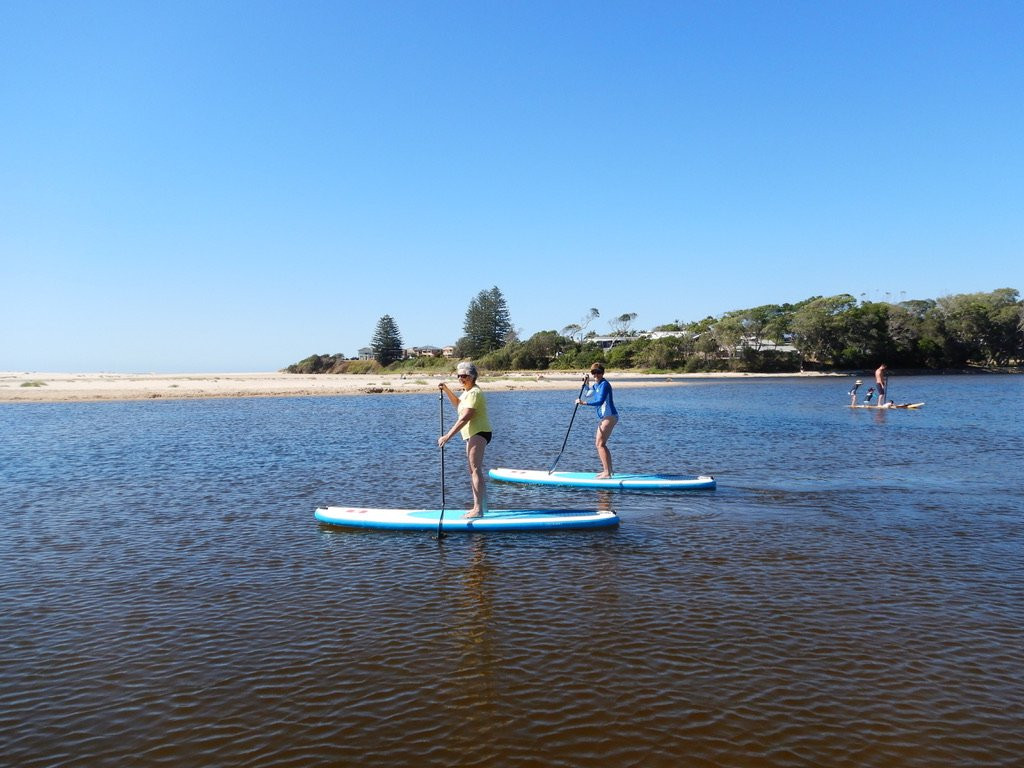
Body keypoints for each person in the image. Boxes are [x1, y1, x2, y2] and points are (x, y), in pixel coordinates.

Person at [438, 361, 492, 519]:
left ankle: (478, 510)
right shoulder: (467, 392)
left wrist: (447, 436)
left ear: (473, 376)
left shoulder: (474, 392)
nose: (462, 378)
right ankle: (481, 507)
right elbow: (458, 405)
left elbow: (466, 416)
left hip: (480, 431)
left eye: (465, 376)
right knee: (473, 470)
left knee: (475, 469)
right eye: (459, 376)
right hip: (471, 434)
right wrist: (447, 389)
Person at [576, 363, 618, 478]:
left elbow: (599, 401)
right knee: (602, 444)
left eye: (598, 372)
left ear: (603, 373)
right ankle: (609, 471)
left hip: (609, 416)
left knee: (599, 444)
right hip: (607, 417)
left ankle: (607, 473)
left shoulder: (604, 385)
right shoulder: (597, 385)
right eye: (594, 373)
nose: (596, 375)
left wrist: (583, 403)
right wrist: (586, 383)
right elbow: (588, 393)